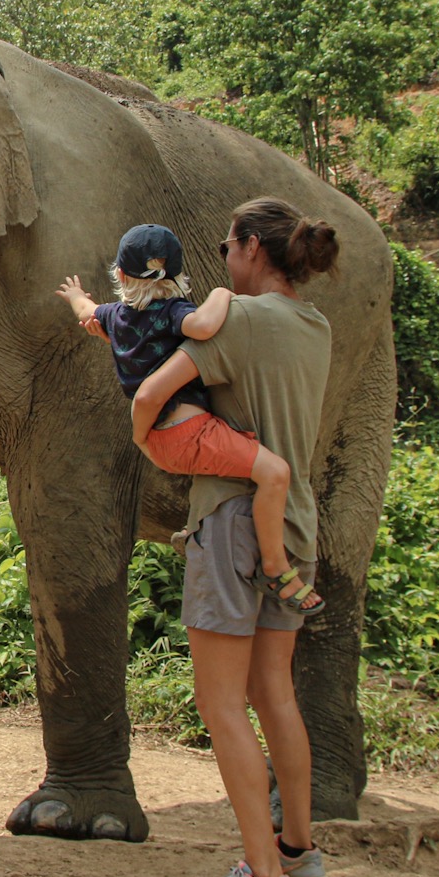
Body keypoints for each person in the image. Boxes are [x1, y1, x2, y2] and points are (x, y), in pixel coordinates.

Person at [128, 198, 340, 877]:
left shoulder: (239, 322)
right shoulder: (315, 325)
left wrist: (145, 437)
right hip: (295, 524)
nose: (224, 256)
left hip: (229, 523)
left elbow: (153, 390)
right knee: (273, 691)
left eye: (228, 246)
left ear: (253, 246)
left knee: (220, 704)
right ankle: (298, 851)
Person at [55, 223, 320, 615]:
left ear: (122, 276)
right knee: (276, 473)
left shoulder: (114, 317)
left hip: (162, 441)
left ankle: (194, 530)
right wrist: (222, 293)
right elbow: (204, 326)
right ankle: (276, 567)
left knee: (231, 463)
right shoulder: (177, 312)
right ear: (178, 274)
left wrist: (77, 295)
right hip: (189, 433)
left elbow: (86, 312)